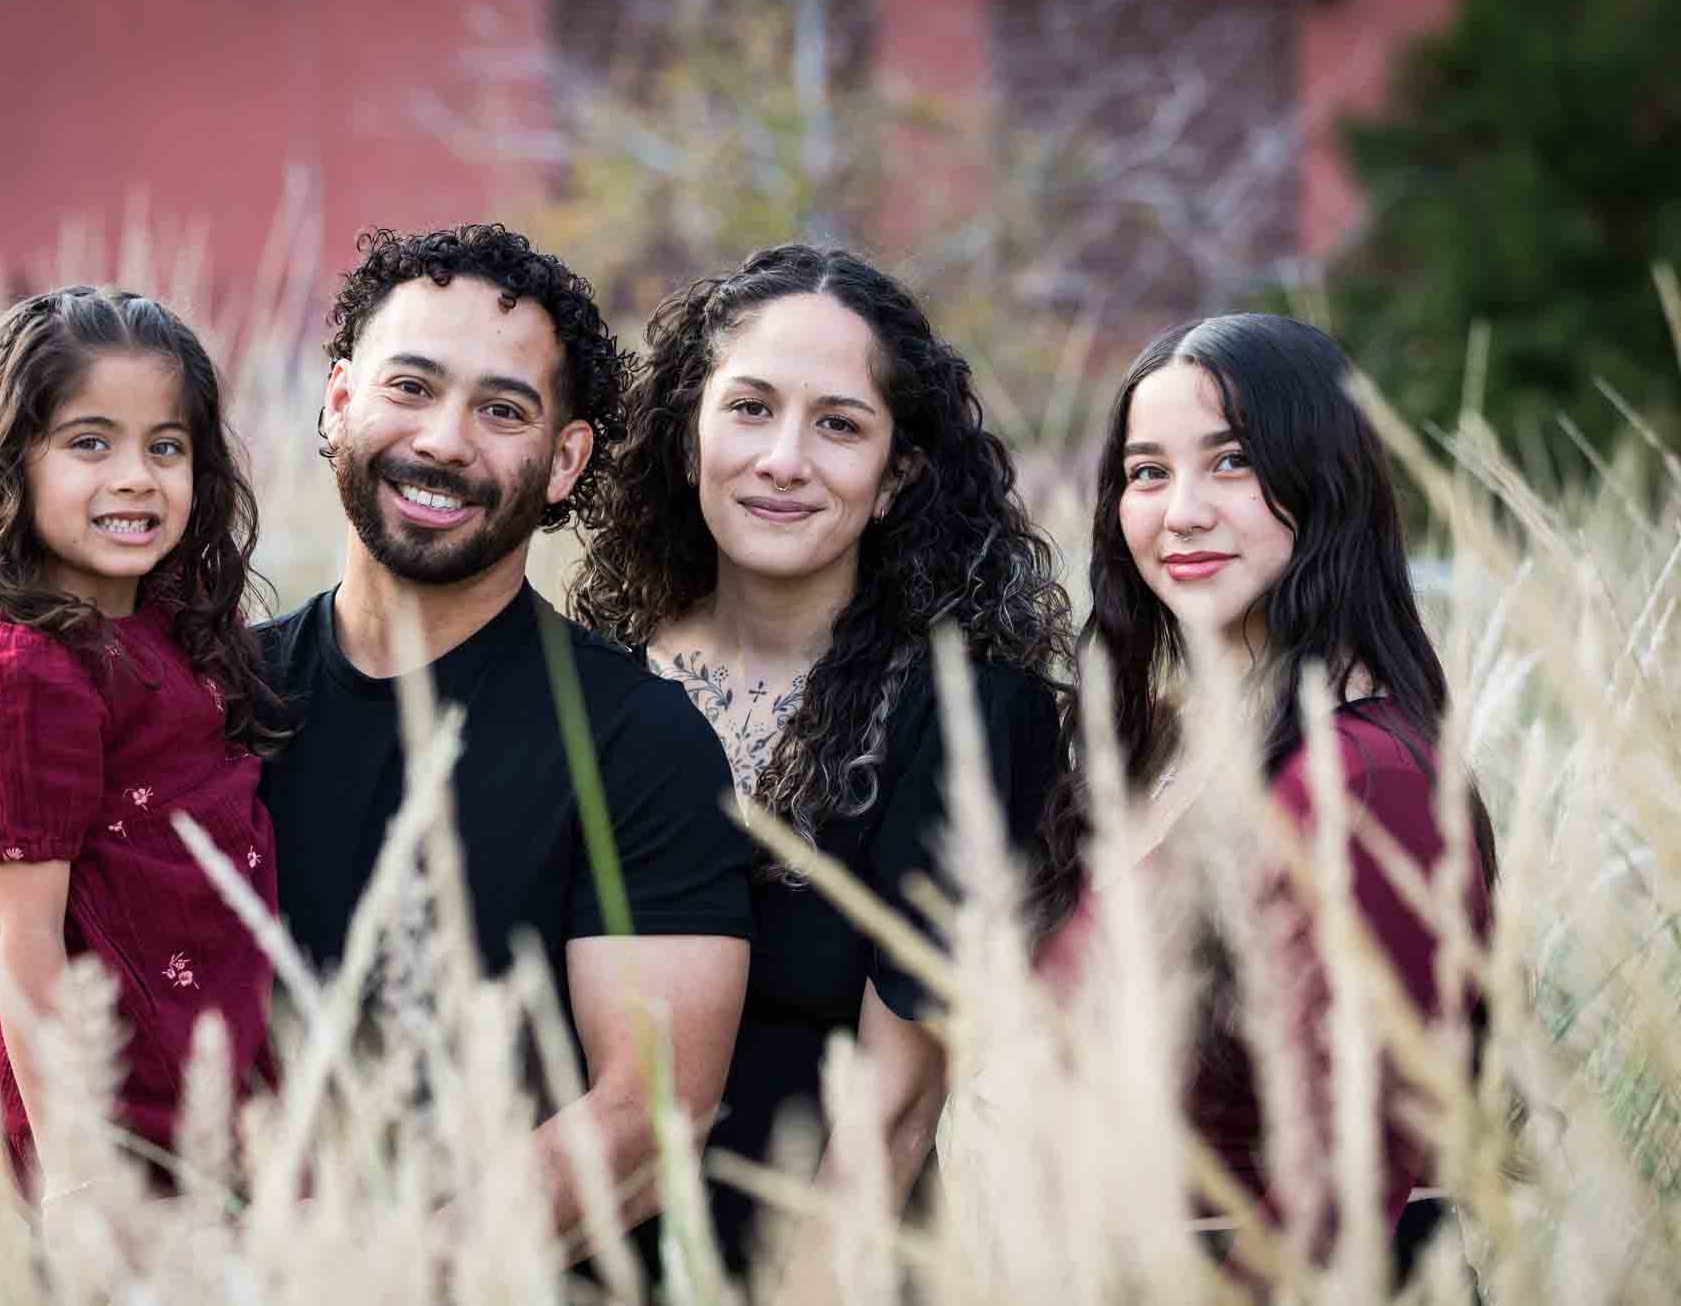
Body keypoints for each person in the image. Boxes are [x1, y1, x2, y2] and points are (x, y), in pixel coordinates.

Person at [567, 244, 1072, 1283]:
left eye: (837, 424)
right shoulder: (590, 688)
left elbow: (893, 1114)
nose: (783, 459)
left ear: (895, 478)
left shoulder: (969, 714)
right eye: (748, 408)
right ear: (684, 435)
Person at [256, 225, 754, 1246]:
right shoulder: (199, 697)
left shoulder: (638, 741)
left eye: (501, 409)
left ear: (565, 460)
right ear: (340, 400)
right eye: (410, 387)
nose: (444, 440)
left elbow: (648, 1113)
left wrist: (368, 1277)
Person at [1037, 313, 1495, 1281]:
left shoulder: (1358, 776)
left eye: (1230, 463)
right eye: (1145, 472)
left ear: (1322, 483)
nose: (1180, 511)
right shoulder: (1168, 749)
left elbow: (1342, 1187)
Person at [0, 287, 286, 1207]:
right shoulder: (23, 677)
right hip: (107, 1120)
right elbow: (21, 949)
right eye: (90, 442)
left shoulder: (169, 629)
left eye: (167, 446)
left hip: (203, 1078)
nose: (138, 476)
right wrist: (79, 1183)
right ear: (11, 468)